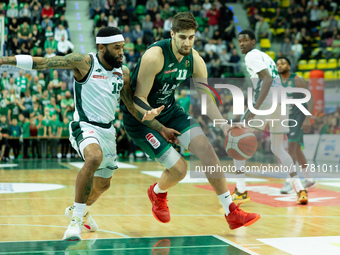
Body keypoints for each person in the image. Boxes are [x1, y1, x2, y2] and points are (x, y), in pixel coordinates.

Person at [0, 26, 178, 241]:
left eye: (122, 47)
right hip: (84, 125)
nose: (122, 52)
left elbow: (130, 105)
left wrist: (161, 127)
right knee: (94, 157)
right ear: (102, 47)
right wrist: (4, 60)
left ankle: (81, 211)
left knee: (103, 184)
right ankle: (74, 221)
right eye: (117, 48)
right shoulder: (84, 62)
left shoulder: (124, 72)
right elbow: (44, 63)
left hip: (108, 130)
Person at [122, 12, 260, 229]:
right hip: (141, 118)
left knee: (207, 150)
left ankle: (230, 211)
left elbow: (206, 98)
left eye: (191, 37)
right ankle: (157, 192)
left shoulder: (195, 60)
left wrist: (224, 127)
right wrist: (153, 118)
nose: (187, 42)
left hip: (170, 111)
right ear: (172, 34)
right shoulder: (154, 56)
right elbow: (138, 98)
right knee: (180, 169)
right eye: (182, 37)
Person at [231, 30, 308, 205]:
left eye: (245, 41)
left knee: (237, 139)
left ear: (253, 41)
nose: (241, 44)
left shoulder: (251, 56)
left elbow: (266, 80)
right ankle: (300, 188)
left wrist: (254, 108)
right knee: (278, 148)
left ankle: (241, 190)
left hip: (267, 101)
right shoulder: (265, 56)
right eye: (239, 41)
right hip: (281, 103)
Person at [276, 57, 316, 192]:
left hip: (299, 115)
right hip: (287, 116)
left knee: (291, 147)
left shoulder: (297, 79)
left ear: (289, 65)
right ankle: (309, 179)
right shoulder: (277, 81)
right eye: (278, 64)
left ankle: (289, 181)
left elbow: (311, 98)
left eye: (283, 63)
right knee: (297, 149)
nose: (280, 65)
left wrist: (307, 118)